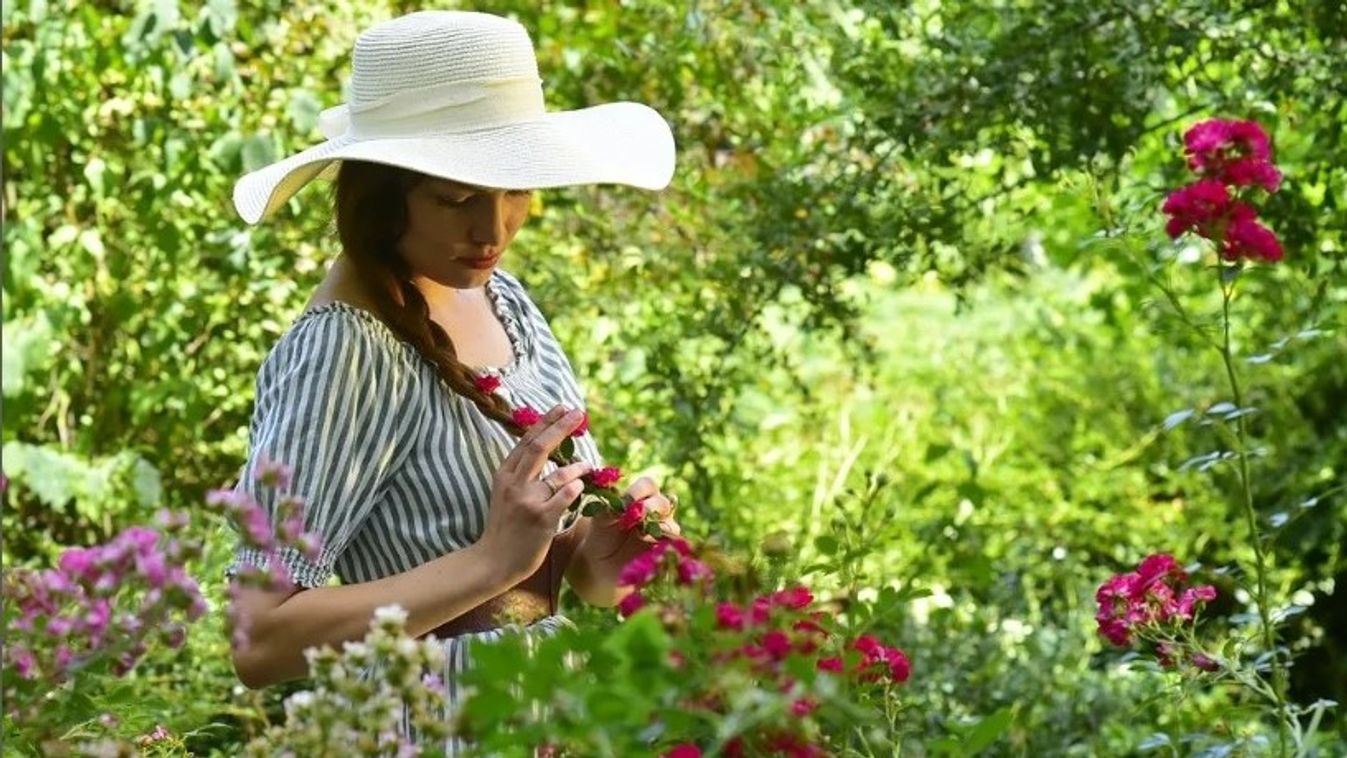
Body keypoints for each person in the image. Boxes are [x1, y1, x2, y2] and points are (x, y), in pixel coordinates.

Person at [223, 10, 682, 751]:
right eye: (455, 197)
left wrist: (593, 550)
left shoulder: (505, 300)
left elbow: (540, 576)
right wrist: (491, 561)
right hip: (428, 728)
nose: (492, 229)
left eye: (515, 192)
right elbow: (259, 640)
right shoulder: (345, 350)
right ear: (381, 195)